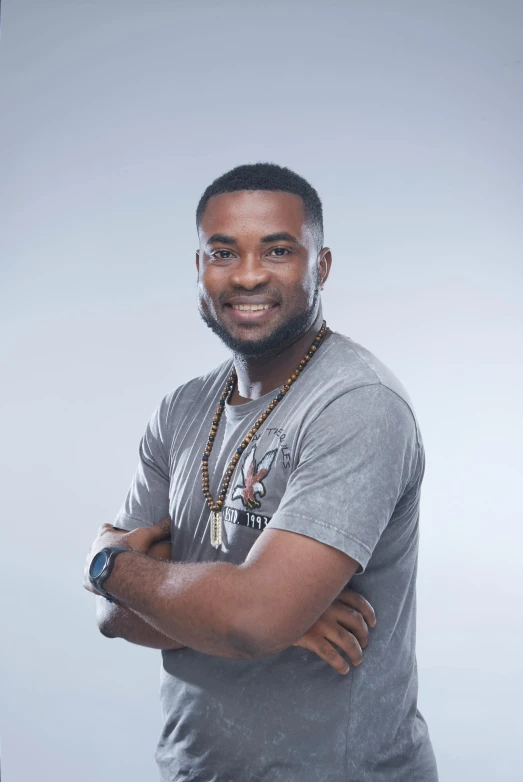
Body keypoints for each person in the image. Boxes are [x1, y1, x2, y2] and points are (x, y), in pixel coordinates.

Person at [83, 163, 438, 781]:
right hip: (194, 769)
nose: (247, 275)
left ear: (320, 266)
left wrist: (111, 564)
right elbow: (113, 617)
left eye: (278, 250)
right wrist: (262, 617)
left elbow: (250, 619)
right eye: (223, 252)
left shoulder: (356, 403)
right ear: (199, 269)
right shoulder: (181, 409)